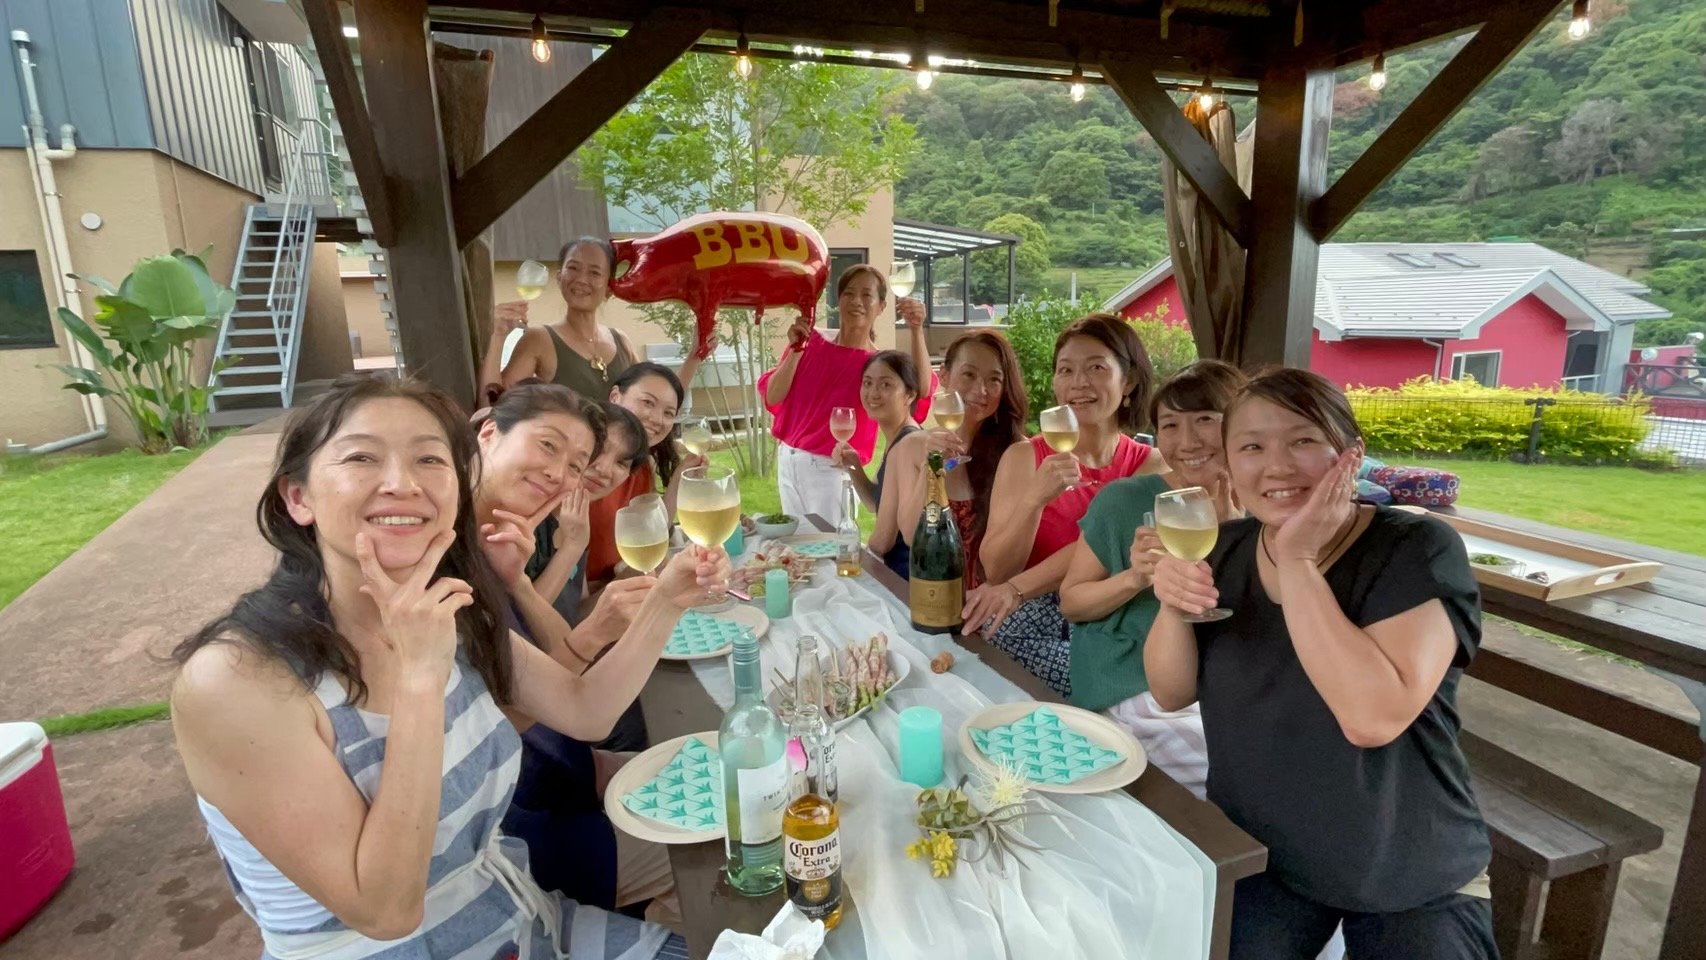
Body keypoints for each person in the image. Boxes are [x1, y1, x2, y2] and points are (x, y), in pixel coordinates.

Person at [171, 372, 728, 960]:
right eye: (361, 457)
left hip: (518, 917)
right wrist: (420, 677)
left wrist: (666, 602)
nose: (402, 483)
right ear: (298, 498)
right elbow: (385, 910)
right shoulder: (235, 682)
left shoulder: (451, 608)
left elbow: (584, 710)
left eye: (429, 460)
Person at [1144, 368, 1495, 959]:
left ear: (1351, 454)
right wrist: (1171, 605)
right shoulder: (1224, 547)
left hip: (1403, 855)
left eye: (1303, 440)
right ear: (1229, 462)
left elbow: (1372, 718)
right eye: (1252, 447)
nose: (1277, 466)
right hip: (1264, 850)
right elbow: (1171, 692)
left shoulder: (1414, 548)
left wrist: (1299, 559)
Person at [469, 383, 668, 913]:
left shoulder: (498, 541)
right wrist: (652, 609)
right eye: (548, 446)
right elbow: (553, 707)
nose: (562, 473)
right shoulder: (446, 563)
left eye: (576, 463)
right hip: (522, 820)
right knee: (730, 827)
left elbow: (556, 654)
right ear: (488, 434)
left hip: (559, 765)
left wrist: (519, 583)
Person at [1057, 359, 1246, 797]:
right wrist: (1136, 577)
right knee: (1225, 782)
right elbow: (1072, 602)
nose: (1188, 441)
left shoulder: (1263, 505)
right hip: (1137, 688)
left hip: (1229, 686)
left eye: (1205, 419)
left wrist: (1237, 536)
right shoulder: (1125, 501)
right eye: (1170, 425)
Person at [972, 314, 1165, 696]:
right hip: (1034, 620)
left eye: (1096, 367)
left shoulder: (1150, 465)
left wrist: (1017, 588)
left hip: (1112, 615)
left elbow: (1099, 543)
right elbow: (997, 570)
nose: (1078, 382)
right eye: (1066, 370)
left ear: (1128, 381)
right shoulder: (1025, 457)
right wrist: (1034, 500)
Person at [757, 264, 933, 525]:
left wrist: (917, 329)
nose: (856, 301)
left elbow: (922, 388)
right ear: (838, 300)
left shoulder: (875, 365)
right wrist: (795, 349)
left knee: (832, 542)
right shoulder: (810, 341)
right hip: (788, 460)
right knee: (798, 542)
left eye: (867, 295)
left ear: (881, 306)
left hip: (831, 468)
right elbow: (773, 396)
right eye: (849, 293)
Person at [886, 330, 1028, 602]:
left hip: (991, 605)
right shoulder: (912, 447)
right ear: (944, 376)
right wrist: (932, 468)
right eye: (969, 374)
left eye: (994, 379)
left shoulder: (1016, 452)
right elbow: (911, 535)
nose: (981, 390)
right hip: (933, 600)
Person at [487, 237, 704, 402]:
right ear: (559, 277)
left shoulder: (621, 341)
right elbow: (497, 405)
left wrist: (696, 354)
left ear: (609, 288)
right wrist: (497, 336)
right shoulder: (539, 339)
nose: (582, 279)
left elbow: (660, 402)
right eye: (573, 268)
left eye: (594, 273)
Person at [584, 363, 690, 587]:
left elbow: (651, 532)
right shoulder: (584, 462)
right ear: (615, 396)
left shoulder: (640, 468)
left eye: (668, 413)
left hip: (618, 588)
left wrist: (679, 479)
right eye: (647, 402)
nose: (657, 419)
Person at [834, 350, 923, 578]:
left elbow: (883, 541)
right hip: (894, 569)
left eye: (886, 385)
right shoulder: (897, 438)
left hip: (905, 577)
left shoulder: (908, 442)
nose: (873, 393)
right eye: (867, 383)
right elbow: (876, 504)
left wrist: (848, 561)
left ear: (909, 395)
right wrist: (854, 466)